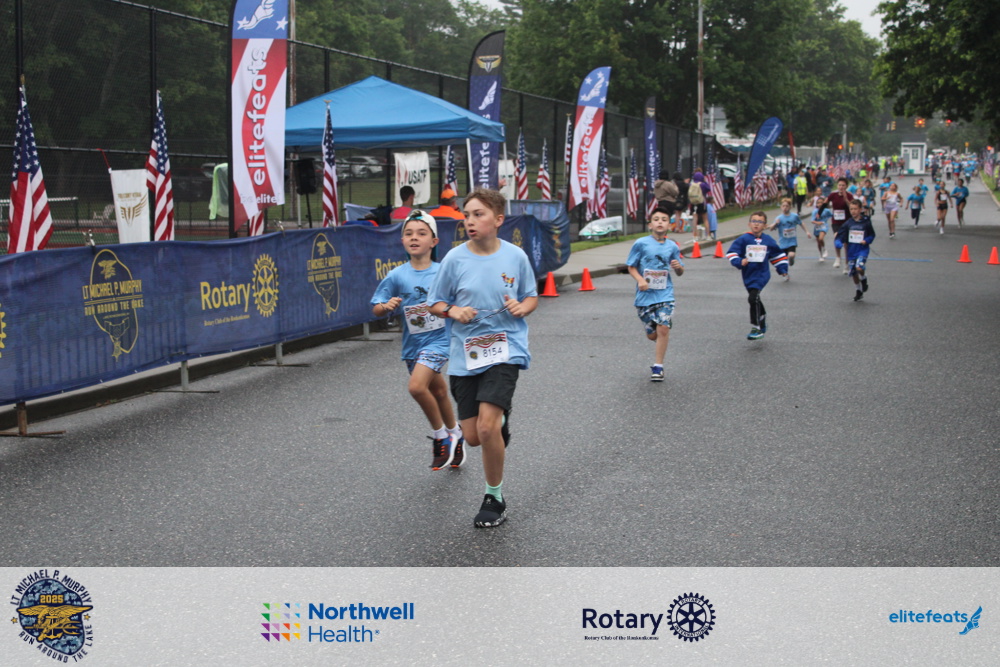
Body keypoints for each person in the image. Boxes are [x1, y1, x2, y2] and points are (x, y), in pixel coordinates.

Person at [428, 187, 538, 528]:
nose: (470, 221)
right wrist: (453, 310)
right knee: (475, 436)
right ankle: (500, 421)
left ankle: (494, 497)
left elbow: (531, 296)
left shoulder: (515, 256)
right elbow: (435, 303)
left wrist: (522, 307)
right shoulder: (454, 259)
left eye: (479, 214)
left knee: (487, 428)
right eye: (467, 215)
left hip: (506, 348)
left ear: (498, 219)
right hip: (466, 353)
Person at [371, 210, 464, 470]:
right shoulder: (396, 275)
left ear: (434, 242)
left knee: (416, 387)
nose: (414, 238)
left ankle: (441, 436)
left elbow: (461, 299)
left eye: (421, 233)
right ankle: (456, 432)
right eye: (409, 233)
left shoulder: (443, 272)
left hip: (440, 342)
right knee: (438, 391)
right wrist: (386, 306)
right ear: (402, 240)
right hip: (413, 345)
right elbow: (376, 307)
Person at [626, 206, 685, 381]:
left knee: (663, 328)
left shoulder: (672, 246)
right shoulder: (641, 243)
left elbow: (680, 271)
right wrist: (640, 280)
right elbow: (631, 266)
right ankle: (657, 336)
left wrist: (678, 267)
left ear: (669, 225)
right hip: (645, 296)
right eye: (656, 219)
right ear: (650, 224)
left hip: (665, 294)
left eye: (664, 220)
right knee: (653, 334)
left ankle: (658, 366)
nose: (660, 222)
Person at [726, 211, 789, 340]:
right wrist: (739, 261)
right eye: (754, 221)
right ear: (749, 224)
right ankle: (762, 317)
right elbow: (732, 253)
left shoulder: (768, 240)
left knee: (752, 298)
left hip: (762, 274)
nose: (756, 224)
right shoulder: (744, 239)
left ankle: (756, 328)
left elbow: (778, 255)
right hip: (748, 274)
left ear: (765, 225)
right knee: (755, 298)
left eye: (760, 222)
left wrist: (782, 268)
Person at [834, 200, 876, 301]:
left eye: (855, 209)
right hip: (851, 251)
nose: (853, 211)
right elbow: (840, 236)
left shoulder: (866, 222)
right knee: (853, 273)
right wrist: (838, 242)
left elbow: (872, 234)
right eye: (851, 209)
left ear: (860, 209)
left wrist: (866, 240)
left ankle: (864, 279)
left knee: (859, 267)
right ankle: (858, 290)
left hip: (862, 249)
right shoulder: (848, 223)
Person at [769, 197, 812, 274]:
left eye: (787, 206)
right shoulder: (779, 218)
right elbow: (771, 229)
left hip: (792, 241)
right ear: (781, 207)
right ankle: (785, 273)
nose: (785, 208)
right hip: (783, 242)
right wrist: (775, 223)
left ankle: (791, 260)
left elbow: (801, 223)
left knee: (791, 255)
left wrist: (807, 232)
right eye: (783, 206)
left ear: (790, 207)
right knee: (783, 261)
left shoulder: (794, 216)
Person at [826, 178, 855, 272]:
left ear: (846, 186)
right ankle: (838, 257)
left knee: (846, 244)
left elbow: (852, 208)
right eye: (839, 185)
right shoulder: (833, 195)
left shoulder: (849, 195)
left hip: (847, 222)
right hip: (836, 221)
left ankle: (846, 264)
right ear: (837, 186)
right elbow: (825, 203)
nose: (841, 187)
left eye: (843, 185)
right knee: (836, 238)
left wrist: (846, 199)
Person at [689, 170, 711, 240]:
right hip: (701, 202)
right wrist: (705, 181)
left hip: (693, 203)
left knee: (695, 219)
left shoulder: (691, 184)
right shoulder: (702, 185)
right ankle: (708, 235)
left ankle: (695, 235)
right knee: (705, 219)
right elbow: (708, 189)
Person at [812, 195, 833, 261]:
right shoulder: (815, 211)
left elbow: (832, 216)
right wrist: (817, 222)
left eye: (821, 202)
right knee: (818, 242)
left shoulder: (826, 210)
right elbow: (812, 221)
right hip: (817, 227)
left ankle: (824, 249)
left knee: (821, 238)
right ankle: (820, 254)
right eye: (818, 203)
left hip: (824, 226)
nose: (820, 204)